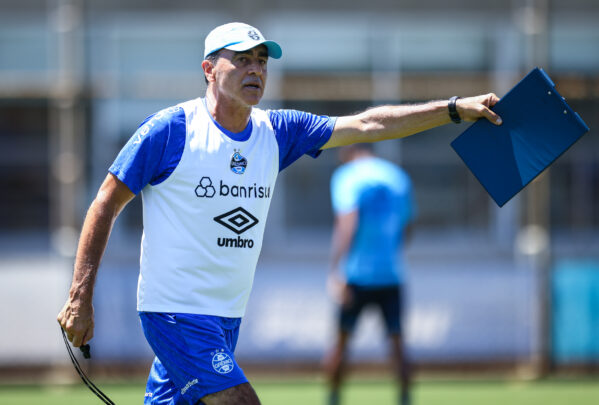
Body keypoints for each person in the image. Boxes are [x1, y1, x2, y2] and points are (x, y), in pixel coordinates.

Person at [57, 21, 502, 405]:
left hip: (226, 317)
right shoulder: (171, 130)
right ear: (209, 70)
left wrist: (452, 110)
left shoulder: (277, 131)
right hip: (176, 314)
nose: (256, 69)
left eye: (262, 61)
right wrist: (80, 297)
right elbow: (104, 204)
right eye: (242, 60)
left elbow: (368, 123)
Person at [325, 143, 415, 405]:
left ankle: (333, 397)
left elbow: (347, 224)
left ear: (347, 151)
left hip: (356, 275)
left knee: (341, 342)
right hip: (391, 274)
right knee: (397, 342)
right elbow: (407, 226)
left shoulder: (347, 176)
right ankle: (405, 397)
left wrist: (336, 270)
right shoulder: (397, 176)